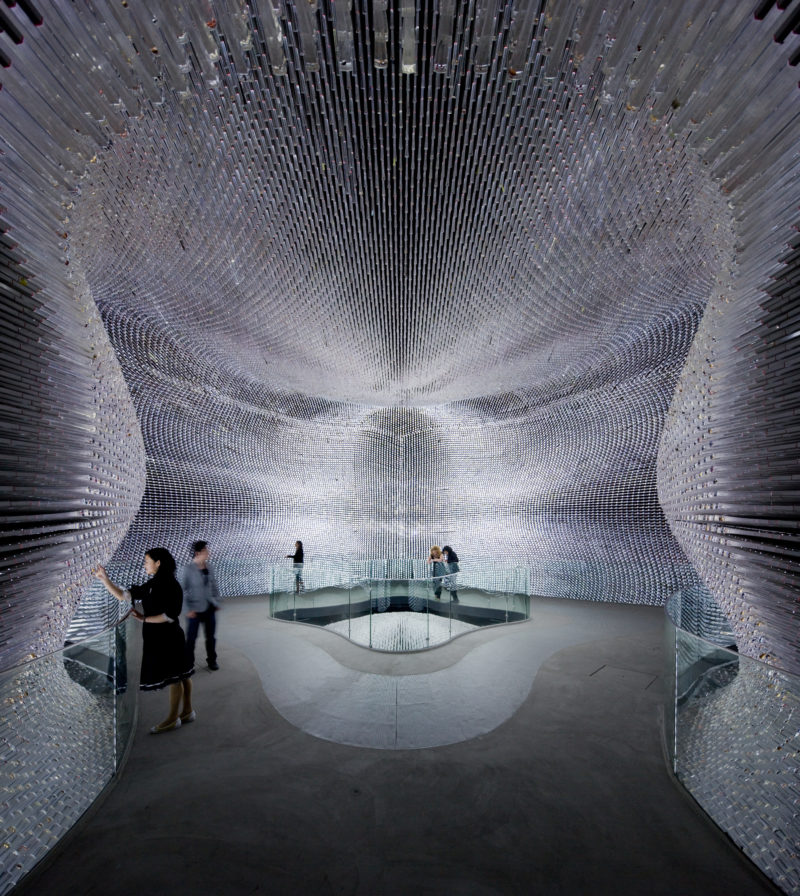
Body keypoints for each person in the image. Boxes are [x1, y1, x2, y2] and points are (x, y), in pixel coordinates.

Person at [95, 548, 194, 734]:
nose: (144, 564)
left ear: (158, 563)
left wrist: (144, 619)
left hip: (168, 637)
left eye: (147, 561)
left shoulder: (169, 585)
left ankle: (173, 719)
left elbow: (169, 615)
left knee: (175, 676)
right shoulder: (153, 584)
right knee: (181, 673)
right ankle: (187, 711)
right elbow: (125, 595)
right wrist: (105, 579)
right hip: (162, 636)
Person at [180, 540, 221, 671]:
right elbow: (180, 591)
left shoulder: (210, 567)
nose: (208, 553)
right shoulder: (187, 570)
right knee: (191, 639)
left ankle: (212, 660)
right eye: (205, 551)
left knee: (211, 637)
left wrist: (217, 601)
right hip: (194, 610)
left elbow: (214, 586)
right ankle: (188, 663)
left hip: (209, 608)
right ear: (198, 553)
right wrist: (187, 610)